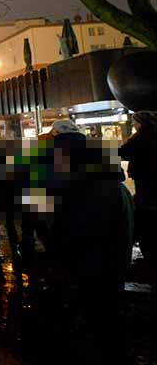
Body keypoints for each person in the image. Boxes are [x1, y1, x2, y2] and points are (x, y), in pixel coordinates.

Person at [47, 121, 134, 365]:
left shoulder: (51, 152)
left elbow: (47, 189)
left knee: (84, 271)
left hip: (78, 210)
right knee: (112, 264)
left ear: (55, 134)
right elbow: (119, 173)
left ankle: (88, 332)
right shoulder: (99, 146)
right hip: (115, 203)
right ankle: (114, 334)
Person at [119, 111, 157, 259]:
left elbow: (124, 152)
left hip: (145, 178)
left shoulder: (140, 137)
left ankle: (150, 248)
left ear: (141, 123)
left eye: (134, 122)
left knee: (146, 209)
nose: (133, 125)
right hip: (151, 177)